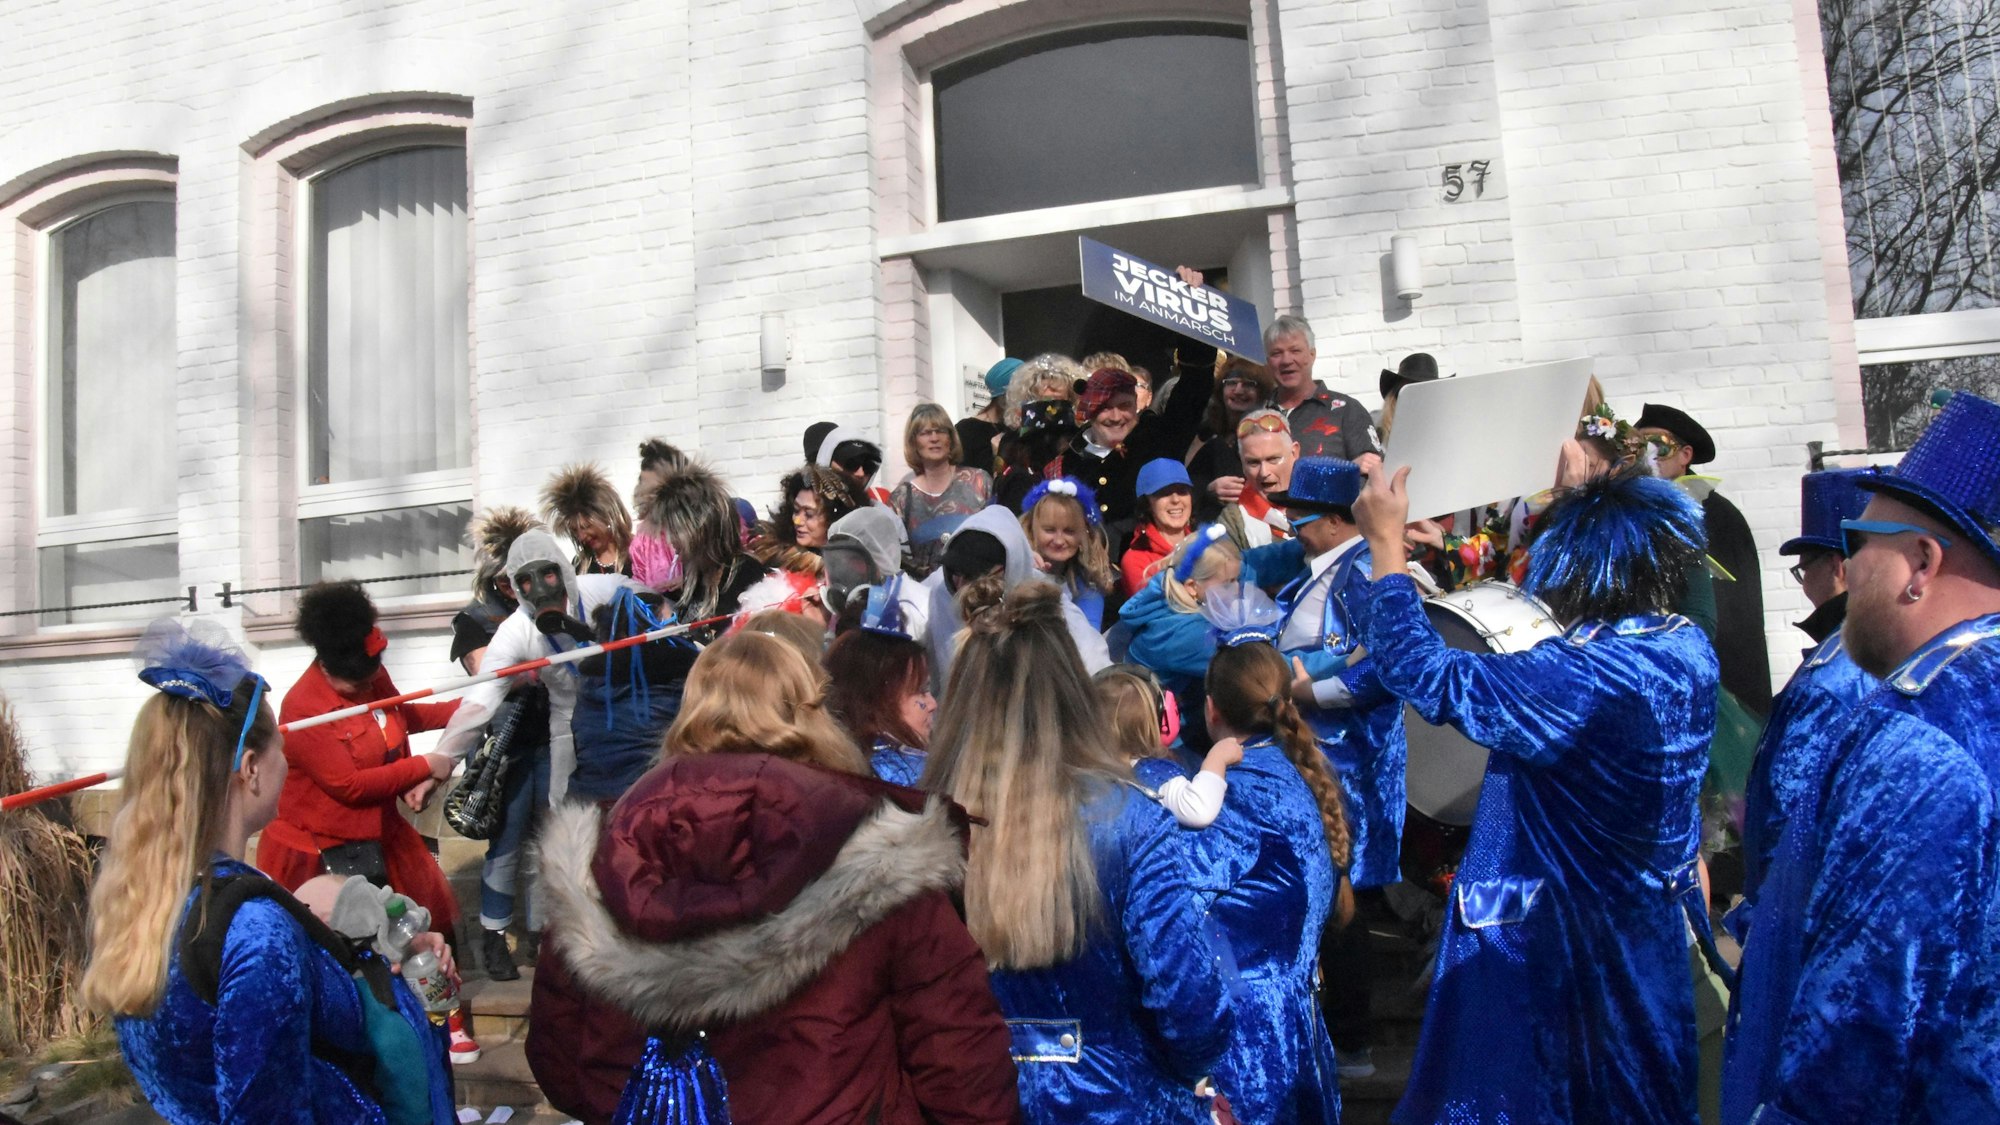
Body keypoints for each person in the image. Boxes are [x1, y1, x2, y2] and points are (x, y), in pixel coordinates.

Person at [1351, 461, 1719, 1125]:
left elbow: (1421, 669)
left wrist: (1384, 542)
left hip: (1571, 953)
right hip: (1654, 935)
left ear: (1567, 571)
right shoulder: (1688, 649)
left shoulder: (1576, 677)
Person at [529, 631, 1020, 1124]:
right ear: (813, 711)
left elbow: (559, 1054)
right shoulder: (881, 846)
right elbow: (959, 1057)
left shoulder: (599, 855)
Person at [1723, 392, 2000, 1125]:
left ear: (1920, 563)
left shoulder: (1923, 733)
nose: (1849, 566)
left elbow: (1860, 1031)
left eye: (1859, 540)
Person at [84, 621, 455, 1125]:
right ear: (252, 768)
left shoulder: (143, 901)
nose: (287, 757)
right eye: (280, 743)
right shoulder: (256, 930)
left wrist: (386, 956)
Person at [925, 581, 1234, 1123]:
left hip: (968, 1096)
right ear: (1073, 692)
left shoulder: (922, 822)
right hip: (1116, 1096)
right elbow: (1189, 1002)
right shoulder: (1128, 818)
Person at [1247, 457, 1408, 1079]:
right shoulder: (1320, 569)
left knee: (1344, 903)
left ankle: (1352, 1042)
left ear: (1338, 522)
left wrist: (1307, 690)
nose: (1293, 531)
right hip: (1313, 758)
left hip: (1349, 764)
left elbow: (1387, 666)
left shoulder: (1365, 570)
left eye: (1301, 521)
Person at [1174, 632, 1350, 1124]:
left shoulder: (1237, 796)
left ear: (1211, 709)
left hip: (1248, 1038)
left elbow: (1172, 903)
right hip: (1298, 1023)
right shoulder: (1303, 771)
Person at [259, 582, 460, 936]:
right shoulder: (304, 707)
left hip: (381, 835)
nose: (368, 689)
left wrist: (465, 709)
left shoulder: (373, 677)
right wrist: (426, 764)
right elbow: (349, 785)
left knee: (413, 936)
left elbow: (397, 717)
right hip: (322, 854)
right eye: (357, 686)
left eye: (372, 680)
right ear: (327, 666)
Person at [1730, 467, 1879, 935]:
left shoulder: (1831, 678)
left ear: (1837, 567)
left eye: (1803, 568)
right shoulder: (1886, 653)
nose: (1802, 582)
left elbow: (1789, 817)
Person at [448, 506, 553, 983]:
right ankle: (494, 936)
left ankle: (546, 936)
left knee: (551, 842)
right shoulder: (474, 619)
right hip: (503, 750)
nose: (518, 588)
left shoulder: (548, 607)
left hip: (550, 740)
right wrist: (535, 667)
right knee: (507, 844)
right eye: (510, 580)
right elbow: (488, 672)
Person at [1634, 403, 1771, 716]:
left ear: (1685, 455)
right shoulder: (1641, 510)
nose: (1648, 455)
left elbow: (1730, 612)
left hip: (1714, 673)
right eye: (1639, 447)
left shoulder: (1713, 515)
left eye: (1659, 446)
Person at [921, 504, 1111, 686]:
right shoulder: (938, 589)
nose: (961, 583)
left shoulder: (1043, 599)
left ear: (1009, 568)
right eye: (956, 571)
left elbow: (1095, 664)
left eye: (972, 575)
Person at [1044, 361, 1213, 529]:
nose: (1116, 417)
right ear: (1090, 411)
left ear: (1135, 404)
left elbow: (1193, 391)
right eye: (1105, 408)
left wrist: (1196, 354)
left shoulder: (1158, 441)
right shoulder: (1065, 464)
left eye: (1124, 406)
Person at [1121, 526, 1239, 749]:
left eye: (1237, 579)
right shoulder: (1185, 633)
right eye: (1228, 583)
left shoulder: (1171, 601)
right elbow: (1247, 667)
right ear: (1192, 586)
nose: (1237, 590)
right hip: (1162, 744)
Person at [1095, 663, 1240, 827]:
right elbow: (1198, 810)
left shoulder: (1093, 769)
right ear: (1161, 722)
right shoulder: (1151, 773)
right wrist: (1217, 759)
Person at [645, 459, 773, 644]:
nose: (671, 541)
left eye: (675, 531)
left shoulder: (746, 571)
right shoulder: (696, 572)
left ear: (700, 530)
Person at [825, 596, 935, 787]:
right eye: (920, 691)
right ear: (880, 698)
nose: (933, 704)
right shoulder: (905, 779)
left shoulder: (831, 761)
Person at [1262, 314, 1382, 468]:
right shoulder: (1256, 414)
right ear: (1268, 362)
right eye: (1276, 353)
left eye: (1295, 351)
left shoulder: (1346, 411)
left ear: (1312, 355)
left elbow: (1373, 472)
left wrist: (1344, 471)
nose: (1286, 360)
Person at [890, 402, 993, 578]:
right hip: (924, 590)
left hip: (977, 586)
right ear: (913, 442)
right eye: (925, 433)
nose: (934, 438)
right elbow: (897, 559)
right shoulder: (902, 498)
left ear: (950, 438)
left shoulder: (979, 481)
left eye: (941, 431)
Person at [1021, 478, 1115, 629]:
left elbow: (1088, 637)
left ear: (1084, 534)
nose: (1059, 541)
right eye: (1050, 530)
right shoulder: (1013, 569)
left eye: (1069, 531)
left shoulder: (1088, 584)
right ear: (1031, 528)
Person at [1186, 354, 1275, 500]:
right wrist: (1209, 489)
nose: (1238, 391)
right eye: (1231, 383)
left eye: (1248, 384)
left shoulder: (1271, 435)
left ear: (1262, 393)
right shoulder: (1207, 435)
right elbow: (1189, 485)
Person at [757, 464, 868, 571]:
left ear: (834, 519)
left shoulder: (856, 567)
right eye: (796, 510)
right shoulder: (775, 558)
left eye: (809, 514)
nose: (797, 521)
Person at [1118, 459, 1197, 597]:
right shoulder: (1136, 560)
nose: (1176, 499)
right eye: (1164, 493)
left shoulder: (1207, 545)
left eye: (1182, 491)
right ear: (1147, 504)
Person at [542, 462, 635, 577]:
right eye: (575, 530)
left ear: (606, 517)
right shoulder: (580, 566)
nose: (581, 537)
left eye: (586, 526)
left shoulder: (639, 552)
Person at [1227, 409, 1300, 547]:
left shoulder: (1324, 506)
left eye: (1273, 459)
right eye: (1253, 462)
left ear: (1294, 453)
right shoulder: (1233, 520)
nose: (1264, 472)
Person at [629, 439, 691, 593]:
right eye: (643, 486)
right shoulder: (643, 542)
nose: (647, 496)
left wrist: (690, 580)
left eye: (656, 491)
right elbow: (640, 588)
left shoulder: (703, 522)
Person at [957, 357, 1022, 472]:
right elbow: (964, 477)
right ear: (1005, 396)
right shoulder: (967, 430)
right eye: (1021, 394)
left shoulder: (1019, 428)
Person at [811, 423, 893, 506]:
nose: (861, 473)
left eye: (868, 466)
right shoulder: (809, 505)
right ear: (826, 461)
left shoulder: (881, 508)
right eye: (851, 463)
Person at [1376, 352, 1447, 445]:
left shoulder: (1446, 430)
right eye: (1412, 393)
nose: (1419, 400)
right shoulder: (1377, 434)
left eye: (1425, 392)